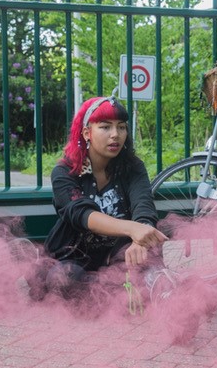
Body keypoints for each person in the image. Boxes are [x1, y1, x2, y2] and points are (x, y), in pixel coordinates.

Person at [40, 96, 167, 295]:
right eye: (105, 127)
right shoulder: (65, 171)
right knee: (64, 278)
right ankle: (121, 291)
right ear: (86, 133)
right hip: (73, 257)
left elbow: (143, 204)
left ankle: (144, 290)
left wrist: (140, 238)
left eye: (122, 127)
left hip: (118, 256)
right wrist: (134, 229)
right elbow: (80, 213)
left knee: (149, 260)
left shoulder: (132, 167)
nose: (115, 135)